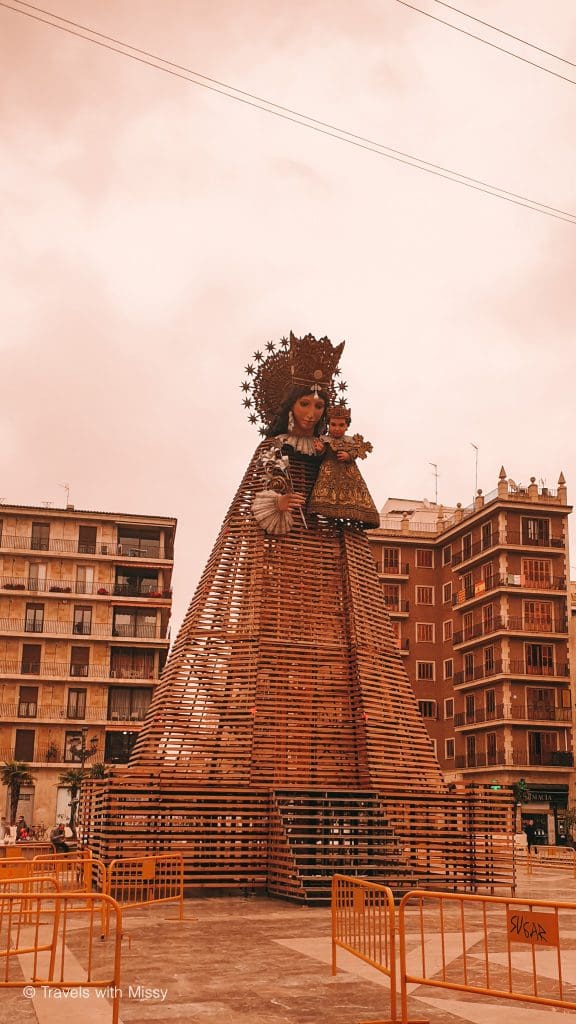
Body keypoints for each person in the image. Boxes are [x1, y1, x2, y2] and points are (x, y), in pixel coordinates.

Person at [307, 404, 380, 528]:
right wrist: (320, 450)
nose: (337, 428)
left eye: (341, 425)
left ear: (347, 426)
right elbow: (320, 456)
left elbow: (356, 452)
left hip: (348, 473)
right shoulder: (324, 440)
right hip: (328, 472)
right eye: (333, 425)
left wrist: (349, 456)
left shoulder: (351, 441)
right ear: (329, 425)